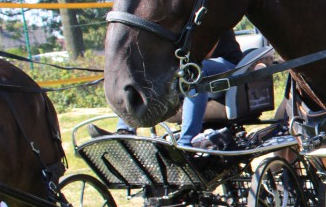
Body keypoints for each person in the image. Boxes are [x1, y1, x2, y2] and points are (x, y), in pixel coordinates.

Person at [94, 29, 244, 149]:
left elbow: (204, 52)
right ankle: (125, 132)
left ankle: (186, 142)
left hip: (229, 65)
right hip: (195, 66)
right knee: (149, 72)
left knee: (196, 70)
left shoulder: (212, 14)